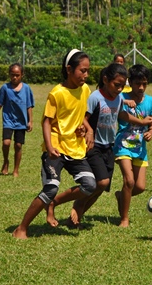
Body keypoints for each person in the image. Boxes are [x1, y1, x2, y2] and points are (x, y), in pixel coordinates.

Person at [12, 49, 97, 239]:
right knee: (51, 187)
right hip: (56, 149)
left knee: (90, 185)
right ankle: (22, 228)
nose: (86, 75)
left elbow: (80, 115)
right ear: (69, 69)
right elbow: (46, 121)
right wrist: (49, 147)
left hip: (75, 148)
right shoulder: (56, 93)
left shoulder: (85, 90)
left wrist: (87, 129)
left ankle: (52, 203)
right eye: (82, 71)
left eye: (87, 71)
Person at [67, 63, 152, 228]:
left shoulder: (118, 98)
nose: (120, 89)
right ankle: (78, 204)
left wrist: (141, 121)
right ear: (106, 80)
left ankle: (78, 214)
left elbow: (122, 115)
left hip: (109, 146)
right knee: (101, 182)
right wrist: (90, 131)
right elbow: (83, 117)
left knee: (102, 186)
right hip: (95, 145)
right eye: (117, 85)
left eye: (122, 86)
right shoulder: (95, 97)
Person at [114, 64, 152, 227]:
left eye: (144, 84)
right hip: (123, 145)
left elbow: (151, 125)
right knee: (129, 181)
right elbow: (121, 115)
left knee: (140, 187)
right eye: (137, 84)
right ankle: (124, 219)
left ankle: (121, 196)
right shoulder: (123, 99)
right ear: (130, 83)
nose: (141, 87)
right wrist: (138, 118)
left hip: (140, 149)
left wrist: (151, 132)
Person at [0, 63, 34, 177]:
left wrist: (30, 121)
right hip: (8, 120)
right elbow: (0, 103)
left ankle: (16, 169)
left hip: (21, 121)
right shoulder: (5, 88)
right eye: (12, 75)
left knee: (18, 145)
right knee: (6, 143)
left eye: (17, 75)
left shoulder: (27, 88)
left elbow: (29, 105)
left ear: (22, 75)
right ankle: (6, 161)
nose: (15, 77)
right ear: (9, 75)